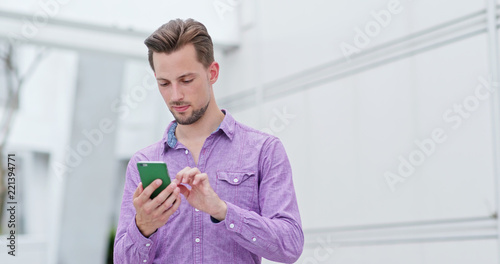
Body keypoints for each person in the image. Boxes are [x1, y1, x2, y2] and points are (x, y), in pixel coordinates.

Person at [113, 18, 304, 264]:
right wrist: (143, 227)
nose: (175, 95)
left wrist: (222, 211)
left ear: (212, 73)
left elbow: (290, 246)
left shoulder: (263, 151)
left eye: (186, 80)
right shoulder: (143, 162)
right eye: (164, 83)